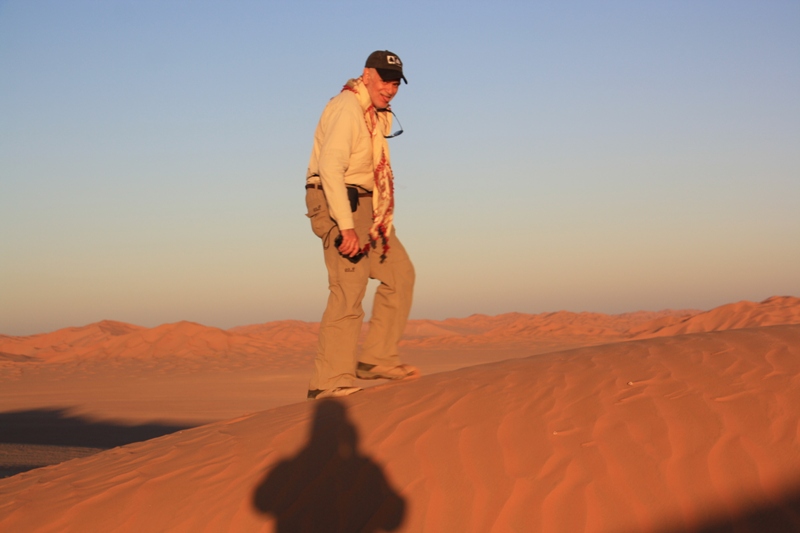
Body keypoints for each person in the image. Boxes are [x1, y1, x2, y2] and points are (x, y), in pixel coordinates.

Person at [304, 50, 418, 400]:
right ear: (367, 75)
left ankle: (376, 359)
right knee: (348, 292)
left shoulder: (375, 115)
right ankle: (328, 382)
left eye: (396, 82)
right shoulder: (347, 109)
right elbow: (330, 168)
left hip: (370, 207)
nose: (391, 88)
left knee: (400, 275)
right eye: (385, 79)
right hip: (340, 202)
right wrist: (345, 225)